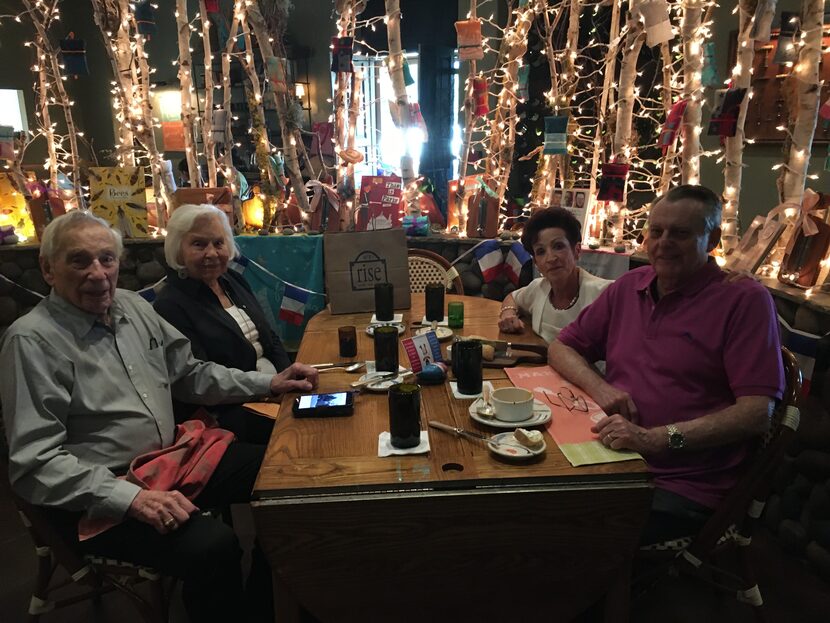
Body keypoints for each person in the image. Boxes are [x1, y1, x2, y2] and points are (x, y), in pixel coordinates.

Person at [0, 210, 319, 622]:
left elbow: (189, 374)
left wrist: (269, 384)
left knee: (289, 476)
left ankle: (275, 603)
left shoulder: (133, 307)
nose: (98, 273)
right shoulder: (31, 341)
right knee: (213, 546)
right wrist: (132, 498)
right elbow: (33, 463)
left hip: (171, 461)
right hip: (101, 491)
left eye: (107, 259)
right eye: (79, 261)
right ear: (48, 269)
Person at [547, 185, 785, 542]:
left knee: (569, 533)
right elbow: (561, 347)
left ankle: (601, 595)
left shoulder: (745, 301)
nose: (663, 243)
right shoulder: (629, 287)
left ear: (713, 238)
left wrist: (653, 439)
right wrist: (601, 387)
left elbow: (756, 413)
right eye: (656, 232)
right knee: (526, 499)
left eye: (681, 233)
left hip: (685, 483)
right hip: (614, 456)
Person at [154, 203, 292, 443]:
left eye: (218, 243)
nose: (212, 253)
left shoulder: (232, 280)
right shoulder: (170, 305)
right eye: (199, 244)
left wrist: (288, 379)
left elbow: (269, 338)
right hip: (230, 412)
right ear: (177, 250)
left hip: (272, 390)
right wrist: (270, 387)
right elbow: (201, 382)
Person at [498, 207, 612, 343]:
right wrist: (508, 312)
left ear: (576, 250)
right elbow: (512, 297)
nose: (551, 258)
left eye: (558, 246)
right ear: (535, 262)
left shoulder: (605, 294)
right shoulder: (538, 288)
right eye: (541, 251)